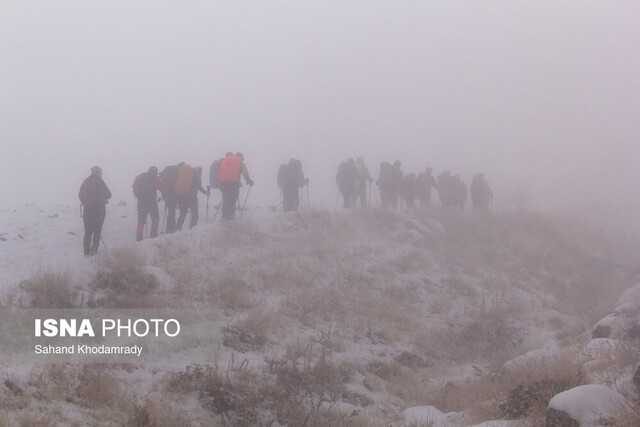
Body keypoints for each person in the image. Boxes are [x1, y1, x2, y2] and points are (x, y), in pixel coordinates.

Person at [78, 166, 112, 256]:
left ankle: (86, 253)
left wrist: (86, 202)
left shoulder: (86, 182)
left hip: (88, 211)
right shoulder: (101, 182)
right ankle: (94, 252)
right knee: (97, 232)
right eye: (100, 172)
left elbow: (80, 195)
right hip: (99, 211)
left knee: (88, 232)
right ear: (98, 173)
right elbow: (109, 194)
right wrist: (102, 199)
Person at [217, 152, 254, 220]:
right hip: (233, 184)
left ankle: (224, 216)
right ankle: (231, 216)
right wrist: (249, 181)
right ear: (241, 157)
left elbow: (219, 170)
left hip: (223, 183)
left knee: (225, 199)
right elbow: (245, 172)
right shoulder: (239, 162)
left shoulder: (225, 160)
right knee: (233, 199)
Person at [132, 166, 159, 242]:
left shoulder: (141, 177)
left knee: (141, 221)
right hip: (151, 202)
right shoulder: (154, 178)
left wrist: (139, 196)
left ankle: (139, 239)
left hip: (142, 202)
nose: (155, 174)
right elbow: (160, 186)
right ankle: (153, 236)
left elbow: (135, 187)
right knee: (155, 219)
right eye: (155, 172)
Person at [158, 164, 179, 233]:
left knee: (171, 212)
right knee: (171, 212)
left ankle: (170, 228)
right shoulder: (174, 175)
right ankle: (170, 228)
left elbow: (163, 188)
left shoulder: (165, 176)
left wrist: (165, 196)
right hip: (173, 195)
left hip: (168, 196)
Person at [175, 162, 195, 231]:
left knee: (183, 212)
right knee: (187, 211)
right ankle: (191, 227)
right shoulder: (190, 170)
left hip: (179, 194)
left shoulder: (178, 171)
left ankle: (178, 227)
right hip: (187, 194)